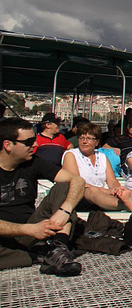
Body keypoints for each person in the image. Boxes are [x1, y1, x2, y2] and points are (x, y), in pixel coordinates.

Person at [0, 117, 85, 276]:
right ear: (8, 145)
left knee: (65, 185)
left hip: (32, 229)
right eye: (29, 142)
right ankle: (41, 254)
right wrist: (29, 229)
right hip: (8, 236)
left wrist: (64, 211)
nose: (36, 144)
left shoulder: (33, 162)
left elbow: (78, 181)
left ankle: (58, 247)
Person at [62, 122, 132, 211]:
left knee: (126, 192)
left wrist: (118, 190)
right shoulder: (71, 155)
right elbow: (78, 183)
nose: (84, 141)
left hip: (102, 195)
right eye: (82, 138)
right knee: (92, 191)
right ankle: (130, 206)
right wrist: (106, 191)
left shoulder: (101, 156)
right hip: (81, 196)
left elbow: (112, 181)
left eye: (89, 138)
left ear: (97, 142)